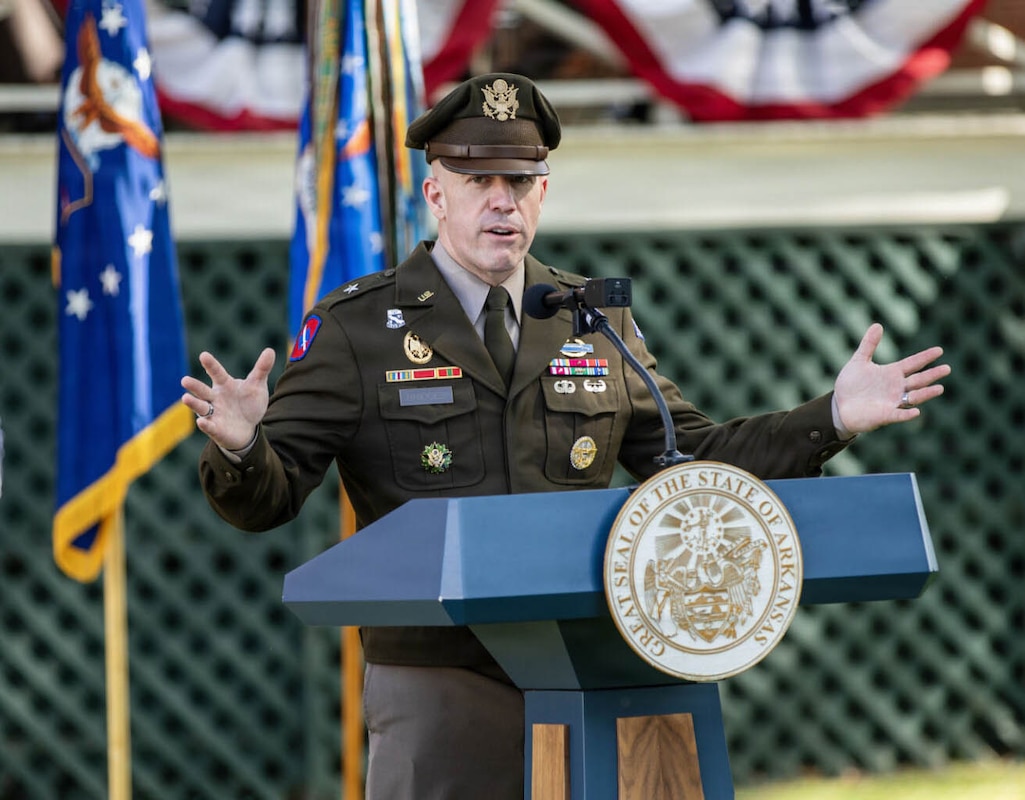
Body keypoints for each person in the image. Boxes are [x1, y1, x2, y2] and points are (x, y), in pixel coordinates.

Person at [181, 72, 950, 799]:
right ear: (435, 194)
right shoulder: (359, 327)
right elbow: (267, 500)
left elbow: (692, 460)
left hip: (595, 671)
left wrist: (832, 416)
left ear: (542, 193)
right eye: (478, 180)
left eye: (520, 181)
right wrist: (244, 446)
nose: (502, 201)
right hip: (442, 682)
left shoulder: (592, 319)